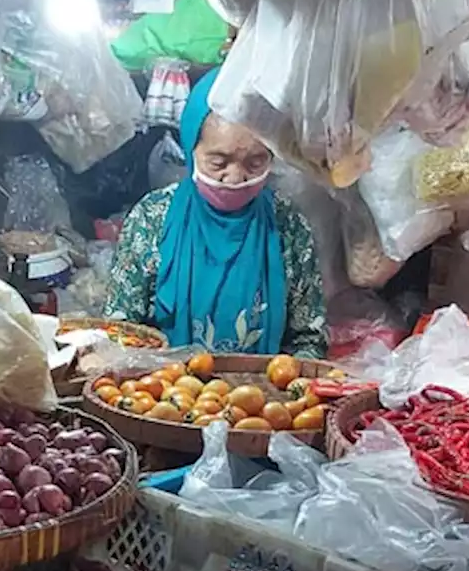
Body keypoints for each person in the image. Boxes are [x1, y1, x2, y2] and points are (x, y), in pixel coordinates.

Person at [104, 68, 327, 359]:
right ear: (191, 149)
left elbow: (309, 338)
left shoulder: (288, 225)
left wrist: (283, 388)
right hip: (162, 395)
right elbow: (120, 330)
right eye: (219, 162)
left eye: (255, 162)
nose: (235, 177)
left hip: (262, 398)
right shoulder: (152, 218)